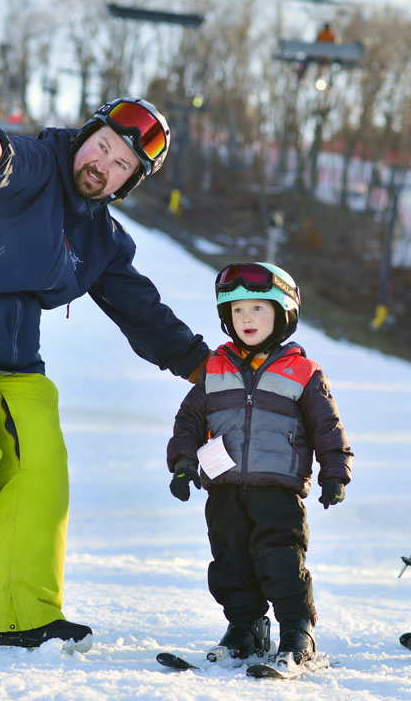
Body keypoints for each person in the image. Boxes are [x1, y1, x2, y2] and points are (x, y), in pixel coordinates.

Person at [0, 98, 211, 651]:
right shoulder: (36, 164)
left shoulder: (101, 240)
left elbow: (141, 311)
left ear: (126, 183)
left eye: (121, 165)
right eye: (102, 147)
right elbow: (0, 157)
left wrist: (205, 367)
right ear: (86, 137)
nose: (102, 165)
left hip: (10, 357)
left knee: (42, 469)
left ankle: (25, 613)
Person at [166, 262, 353, 667]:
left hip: (278, 491)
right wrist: (182, 462)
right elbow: (189, 421)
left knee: (281, 562)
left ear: (283, 313)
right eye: (237, 311)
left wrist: (334, 472)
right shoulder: (214, 368)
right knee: (229, 563)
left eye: (258, 309)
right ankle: (246, 628)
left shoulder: (303, 371)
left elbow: (327, 426)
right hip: (225, 490)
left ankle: (297, 632)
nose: (246, 318)